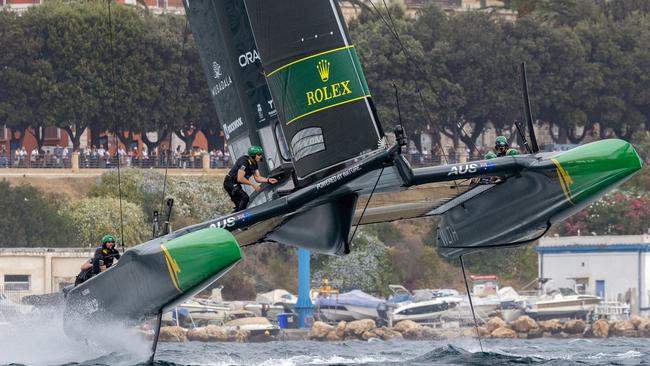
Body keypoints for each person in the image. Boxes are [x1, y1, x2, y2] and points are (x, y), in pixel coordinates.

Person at [223, 145, 277, 212]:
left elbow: (258, 178)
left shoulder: (254, 164)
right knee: (245, 197)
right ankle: (240, 217)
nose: (261, 156)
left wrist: (268, 180)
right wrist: (253, 184)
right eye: (259, 154)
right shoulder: (244, 162)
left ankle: (237, 216)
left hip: (235, 184)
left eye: (261, 154)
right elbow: (240, 178)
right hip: (229, 182)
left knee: (240, 205)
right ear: (253, 155)